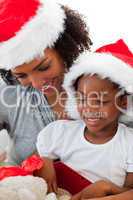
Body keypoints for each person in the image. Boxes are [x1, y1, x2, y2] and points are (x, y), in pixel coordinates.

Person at [36, 39, 133, 198]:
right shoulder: (63, 131)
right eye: (82, 99)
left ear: (123, 102)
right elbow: (42, 148)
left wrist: (106, 188)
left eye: (100, 101)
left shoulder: (129, 142)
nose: (89, 109)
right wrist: (45, 162)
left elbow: (129, 190)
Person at [0, 0, 92, 164]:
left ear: (64, 50)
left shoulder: (104, 84)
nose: (36, 84)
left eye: (44, 67)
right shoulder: (8, 94)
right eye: (21, 76)